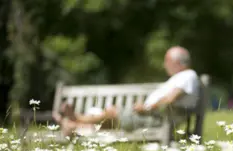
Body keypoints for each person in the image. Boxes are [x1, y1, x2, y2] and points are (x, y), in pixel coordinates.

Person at [53, 46, 201, 137]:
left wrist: (146, 108)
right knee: (108, 122)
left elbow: (170, 100)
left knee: (113, 112)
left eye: (167, 61)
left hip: (157, 120)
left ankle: (74, 119)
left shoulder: (188, 76)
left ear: (177, 62)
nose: (164, 65)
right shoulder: (182, 77)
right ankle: (72, 126)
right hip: (152, 117)